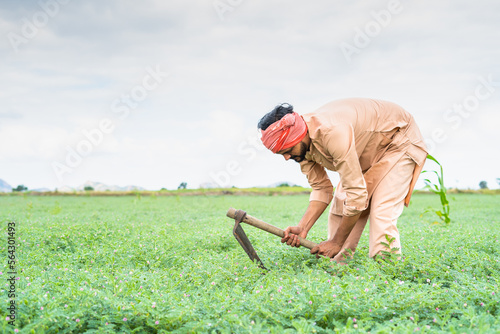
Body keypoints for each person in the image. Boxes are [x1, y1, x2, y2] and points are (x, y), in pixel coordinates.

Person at [258, 98, 427, 262]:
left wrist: (337, 242)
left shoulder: (332, 132)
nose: (287, 158)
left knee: (382, 210)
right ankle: (339, 266)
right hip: (366, 150)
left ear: (296, 136)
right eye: (282, 154)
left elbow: (357, 196)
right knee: (341, 204)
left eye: (287, 151)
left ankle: (387, 270)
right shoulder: (301, 148)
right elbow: (321, 188)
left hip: (398, 140)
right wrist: (303, 227)